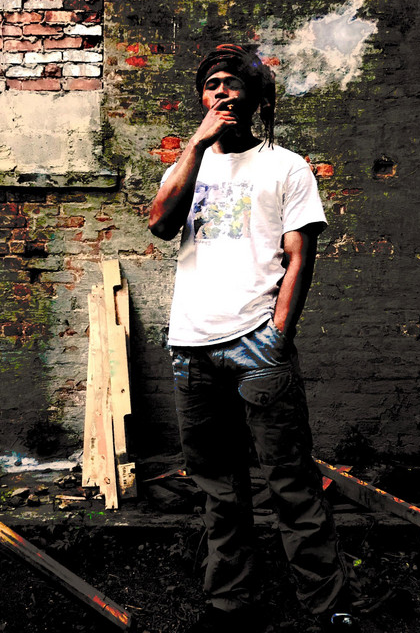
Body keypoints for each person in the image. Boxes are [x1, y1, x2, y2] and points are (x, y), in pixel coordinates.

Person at [149, 44, 359, 632]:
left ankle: (329, 607)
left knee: (291, 484)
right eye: (212, 84)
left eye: (233, 83)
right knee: (219, 490)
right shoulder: (187, 165)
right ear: (202, 97)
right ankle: (230, 605)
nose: (222, 92)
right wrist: (195, 145)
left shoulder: (285, 166)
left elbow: (300, 259)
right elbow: (160, 224)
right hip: (192, 346)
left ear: (256, 97)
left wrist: (277, 335)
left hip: (256, 347)